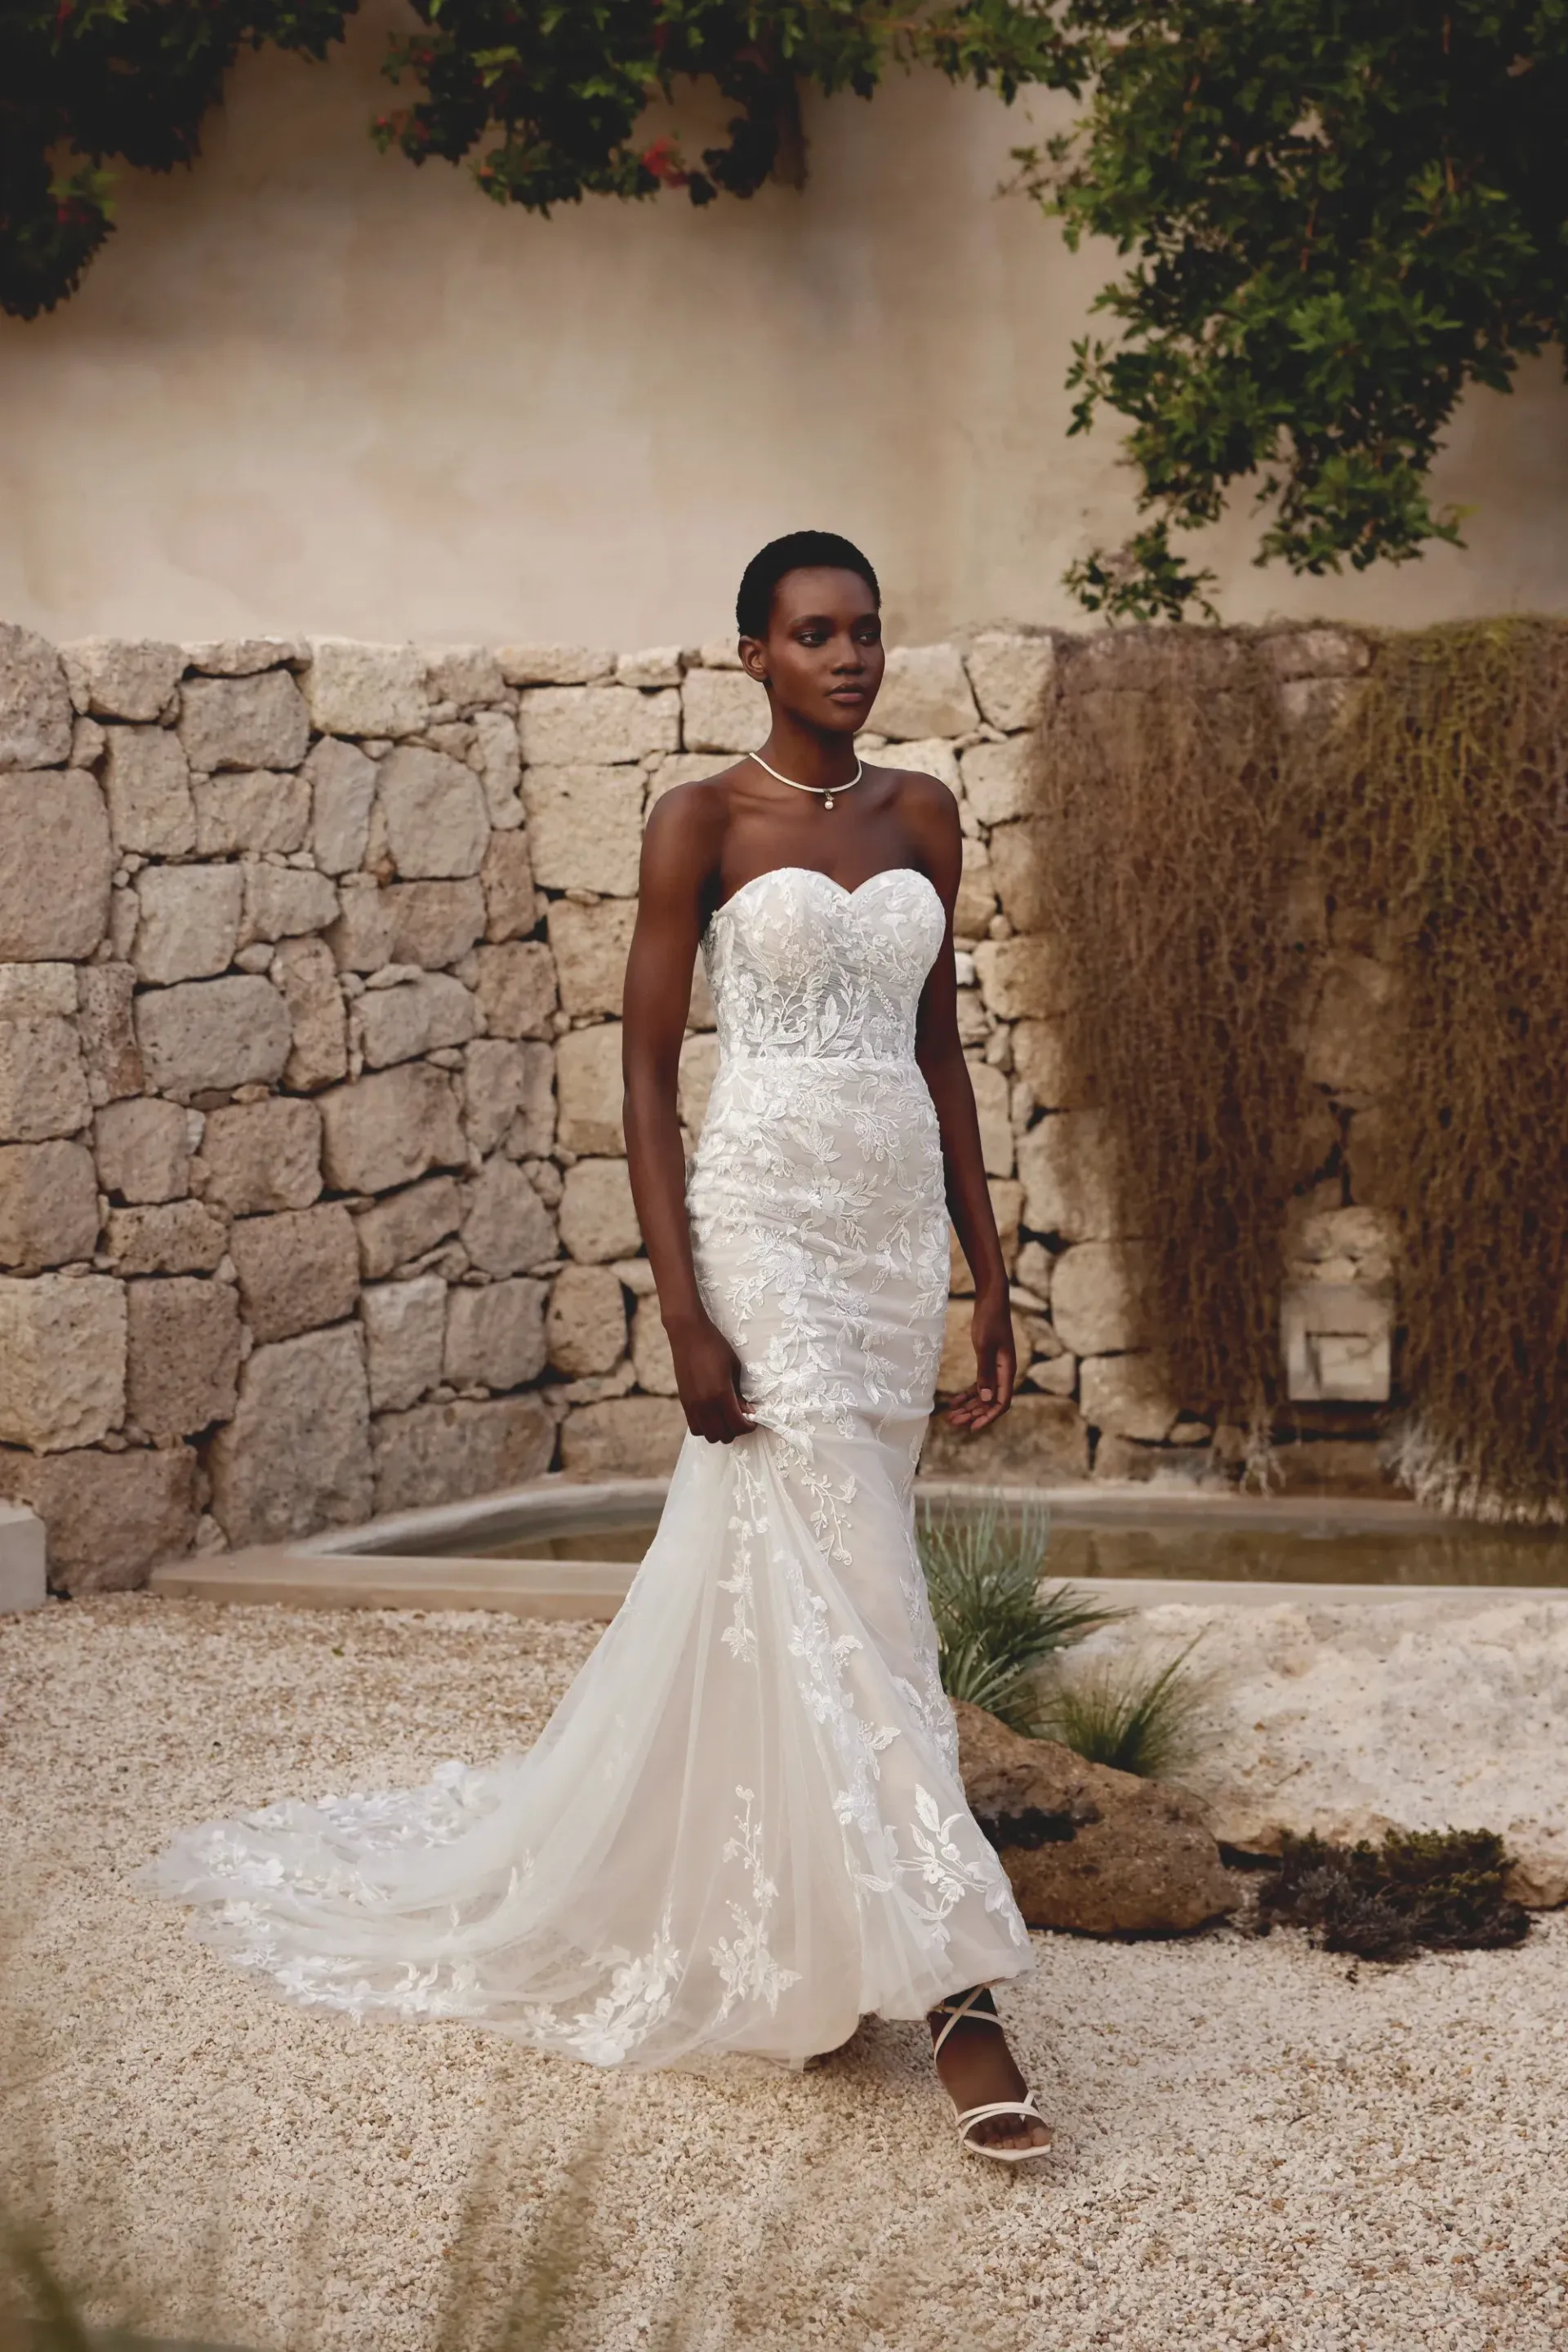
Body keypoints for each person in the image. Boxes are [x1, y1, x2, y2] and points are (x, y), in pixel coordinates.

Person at [142, 529, 1050, 2164]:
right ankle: (960, 1992)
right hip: (764, 1230)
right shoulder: (697, 821)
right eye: (814, 634)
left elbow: (943, 1059)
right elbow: (641, 1080)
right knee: (869, 1590)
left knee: (826, 1585)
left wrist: (991, 1274)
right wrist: (687, 1310)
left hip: (887, 1241)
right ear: (752, 654)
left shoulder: (926, 812)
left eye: (866, 631)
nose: (850, 657)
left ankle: (814, 1920)